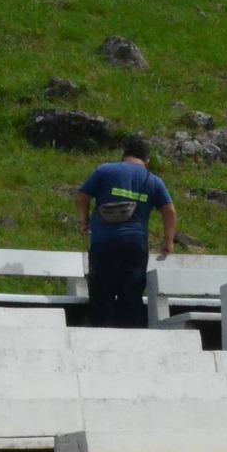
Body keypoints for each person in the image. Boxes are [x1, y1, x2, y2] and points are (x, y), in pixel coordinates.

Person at [75, 137, 177, 328]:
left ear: (123, 156)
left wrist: (85, 220)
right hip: (135, 244)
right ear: (147, 161)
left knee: (102, 293)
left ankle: (102, 339)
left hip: (104, 242)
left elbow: (82, 196)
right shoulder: (153, 180)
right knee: (131, 295)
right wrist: (168, 241)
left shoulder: (105, 170)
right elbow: (170, 211)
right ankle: (132, 342)